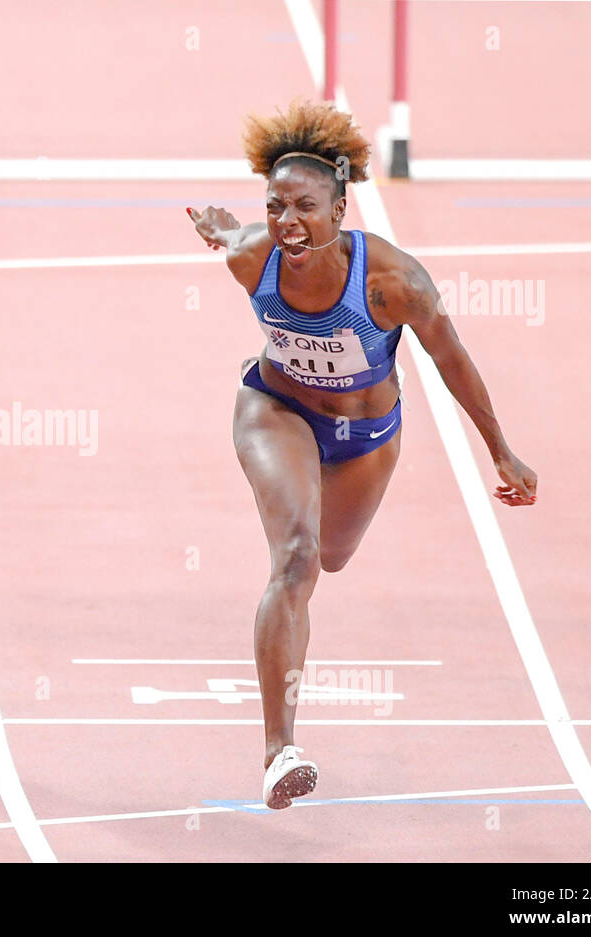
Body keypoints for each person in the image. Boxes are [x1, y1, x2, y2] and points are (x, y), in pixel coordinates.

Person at [186, 100, 537, 808]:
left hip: (367, 436)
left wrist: (500, 450)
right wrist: (226, 231)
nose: (289, 221)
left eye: (306, 207)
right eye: (275, 205)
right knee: (296, 558)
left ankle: (315, 550)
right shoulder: (253, 257)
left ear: (342, 208)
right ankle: (279, 749)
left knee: (334, 557)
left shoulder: (392, 282)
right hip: (277, 409)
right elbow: (234, 235)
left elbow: (451, 358)